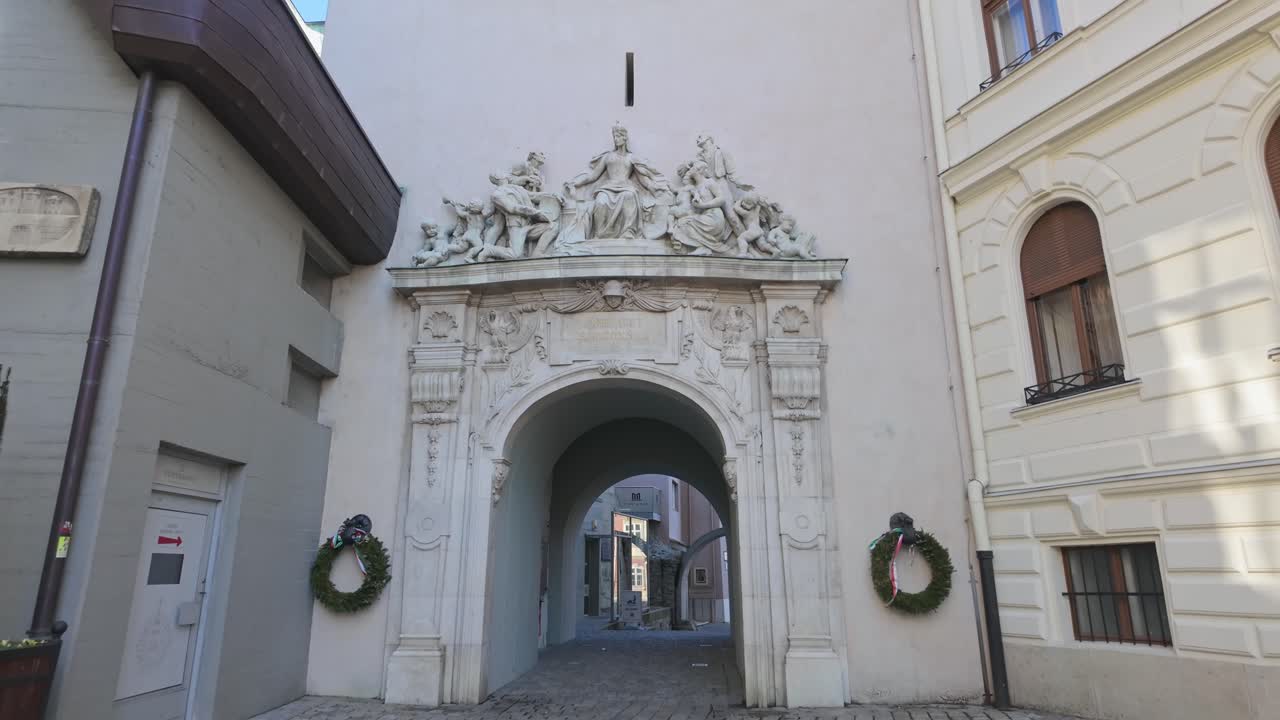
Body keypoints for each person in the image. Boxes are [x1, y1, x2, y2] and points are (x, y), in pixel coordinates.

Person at [568, 124, 670, 239]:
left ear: (624, 138)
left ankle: (628, 231)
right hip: (608, 187)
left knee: (629, 196)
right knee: (601, 201)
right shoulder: (608, 156)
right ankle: (600, 233)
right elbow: (593, 176)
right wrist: (577, 183)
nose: (616, 139)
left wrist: (654, 187)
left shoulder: (631, 158)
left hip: (626, 186)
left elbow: (643, 179)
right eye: (614, 137)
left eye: (618, 136)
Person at [670, 161, 732, 256]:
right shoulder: (694, 188)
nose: (690, 170)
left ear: (700, 170)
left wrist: (703, 205)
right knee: (682, 224)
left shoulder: (709, 182)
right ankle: (702, 247)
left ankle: (705, 247)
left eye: (692, 168)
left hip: (714, 217)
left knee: (685, 222)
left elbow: (721, 199)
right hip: (703, 217)